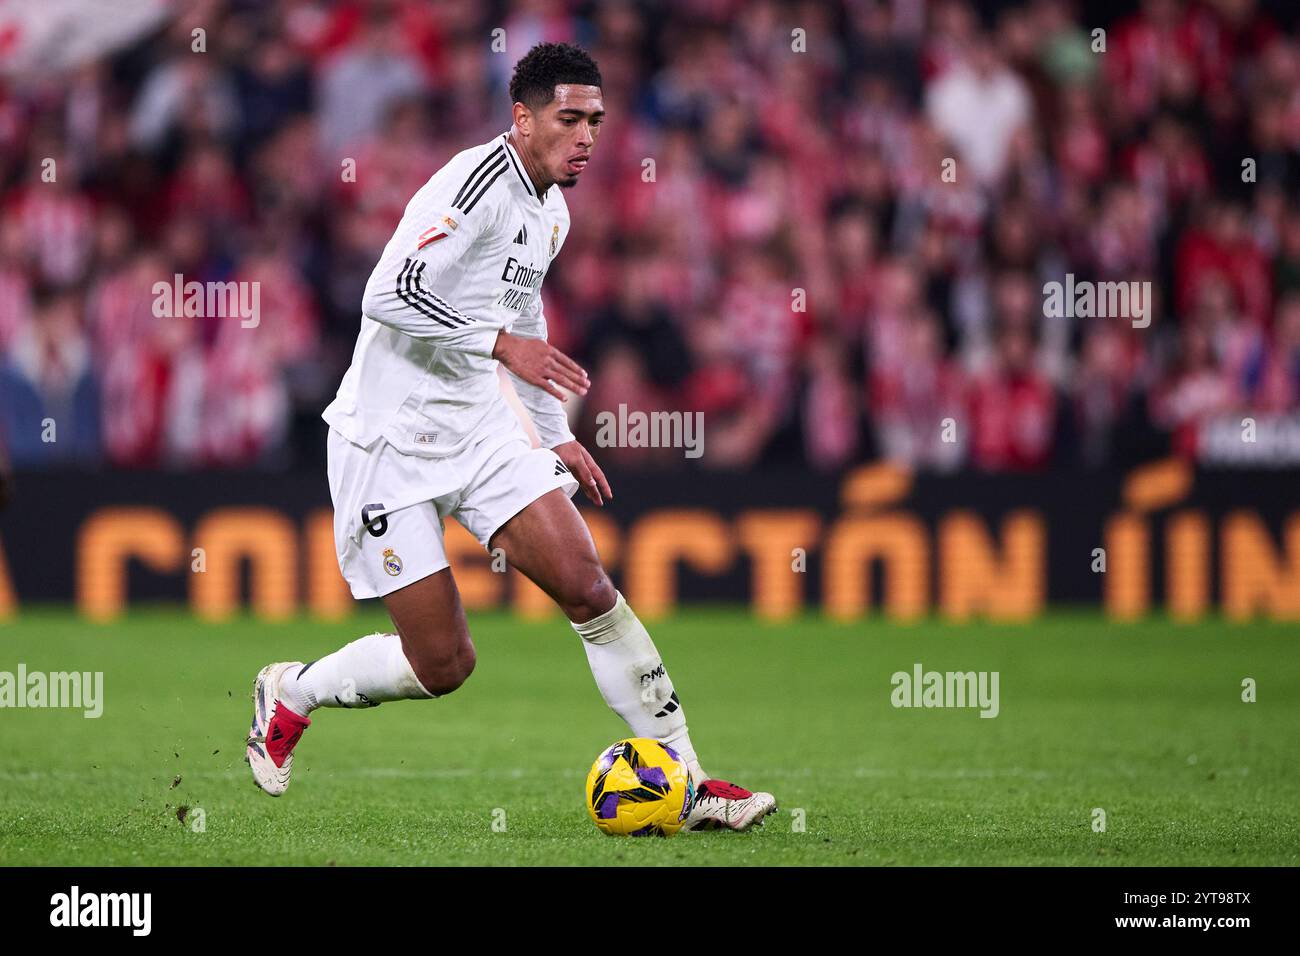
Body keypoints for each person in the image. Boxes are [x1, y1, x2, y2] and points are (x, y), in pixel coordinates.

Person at [245, 42, 776, 832]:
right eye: (570, 119)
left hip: (481, 428)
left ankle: (690, 782)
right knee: (444, 665)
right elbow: (389, 291)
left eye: (596, 120)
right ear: (522, 119)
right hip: (386, 440)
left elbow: (522, 319)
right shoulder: (473, 185)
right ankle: (292, 691)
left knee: (589, 588)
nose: (588, 136)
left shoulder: (551, 211)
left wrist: (554, 431)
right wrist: (498, 346)